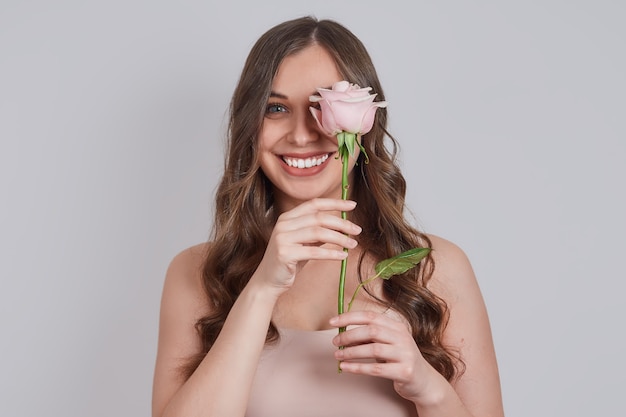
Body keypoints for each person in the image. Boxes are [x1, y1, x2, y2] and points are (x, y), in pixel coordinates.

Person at [151, 16, 504, 417]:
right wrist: (261, 288)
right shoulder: (197, 272)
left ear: (366, 122)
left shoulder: (435, 268)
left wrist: (428, 388)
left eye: (323, 106)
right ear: (249, 125)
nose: (302, 134)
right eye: (276, 107)